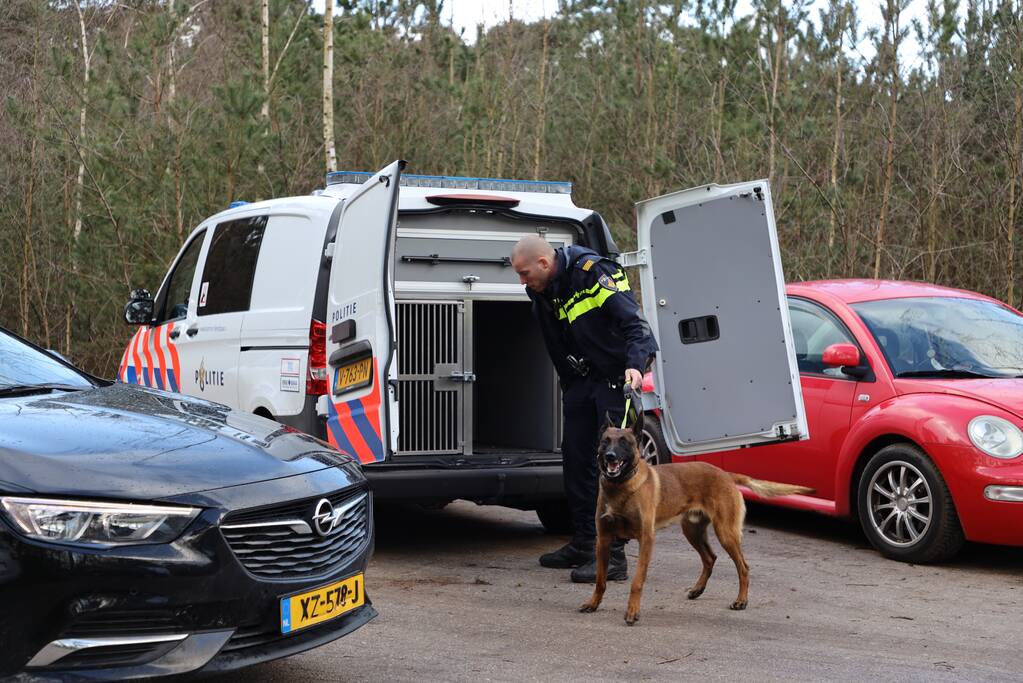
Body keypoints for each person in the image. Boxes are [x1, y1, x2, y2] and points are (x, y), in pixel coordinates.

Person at [510, 235, 658, 583]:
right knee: (577, 463)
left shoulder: (593, 272)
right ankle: (584, 543)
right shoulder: (542, 290)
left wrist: (635, 366)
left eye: (524, 273)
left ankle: (614, 557)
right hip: (581, 383)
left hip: (614, 380)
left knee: (614, 467)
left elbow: (634, 324)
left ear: (544, 263)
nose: (522, 282)